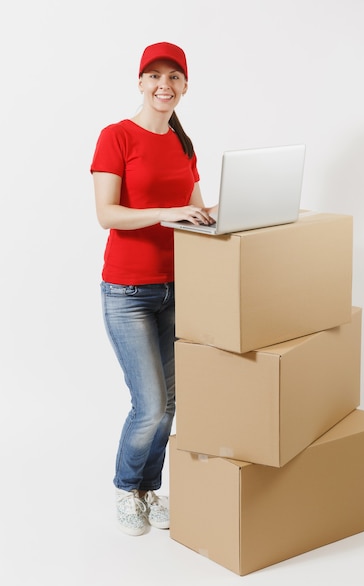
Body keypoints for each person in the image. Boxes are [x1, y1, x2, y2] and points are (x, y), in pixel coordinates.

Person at [90, 42, 215, 536]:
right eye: (155, 76)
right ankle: (126, 489)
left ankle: (148, 489)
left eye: (175, 77)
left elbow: (195, 210)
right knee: (150, 404)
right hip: (127, 293)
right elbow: (107, 214)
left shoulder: (184, 144)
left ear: (185, 86)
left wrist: (220, 215)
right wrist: (165, 214)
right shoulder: (116, 135)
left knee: (170, 403)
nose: (165, 85)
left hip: (176, 289)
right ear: (140, 82)